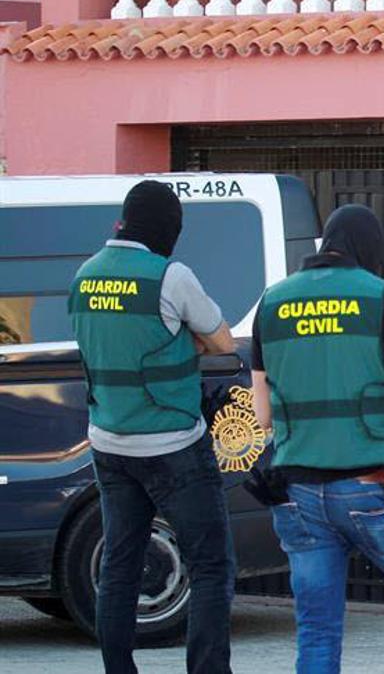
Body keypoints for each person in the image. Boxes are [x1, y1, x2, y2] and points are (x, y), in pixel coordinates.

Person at [249, 205, 384, 673]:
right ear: (370, 248)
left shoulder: (271, 301)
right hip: (369, 488)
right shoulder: (381, 295)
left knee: (318, 630)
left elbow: (261, 416)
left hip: (297, 495)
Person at [69, 180, 237, 674]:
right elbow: (223, 341)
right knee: (209, 565)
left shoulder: (84, 276)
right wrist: (186, 343)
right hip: (173, 445)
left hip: (109, 442)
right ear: (167, 227)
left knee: (120, 564)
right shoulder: (170, 276)